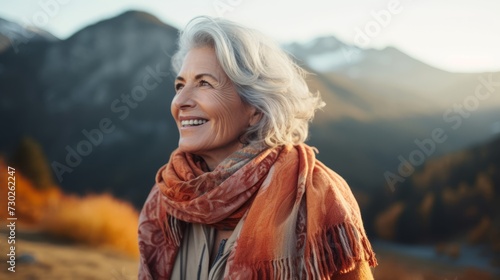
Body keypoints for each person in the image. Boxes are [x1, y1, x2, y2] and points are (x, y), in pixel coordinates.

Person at [138, 16, 377, 280]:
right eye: (179, 85)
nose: (180, 101)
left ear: (255, 108)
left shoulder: (318, 195)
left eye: (204, 83)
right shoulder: (169, 195)